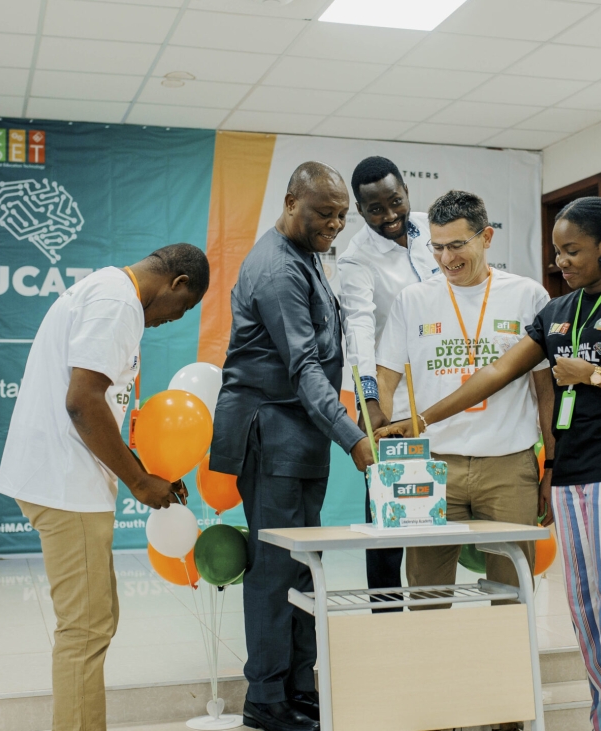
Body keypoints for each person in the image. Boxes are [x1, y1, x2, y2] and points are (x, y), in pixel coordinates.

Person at [378, 196, 601, 731]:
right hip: (574, 473)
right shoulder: (558, 311)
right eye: (557, 252)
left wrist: (593, 376)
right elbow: (497, 373)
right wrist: (421, 421)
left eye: (572, 251)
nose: (562, 262)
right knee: (587, 610)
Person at [0, 244, 209, 731]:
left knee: (97, 619)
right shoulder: (118, 303)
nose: (176, 320)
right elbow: (82, 401)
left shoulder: (109, 292)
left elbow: (97, 404)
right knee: (86, 629)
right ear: (176, 283)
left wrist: (146, 468)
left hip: (66, 478)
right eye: (185, 308)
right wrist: (138, 480)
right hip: (65, 484)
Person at [209, 161, 376, 731]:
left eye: (341, 216)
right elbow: (304, 367)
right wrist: (354, 437)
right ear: (288, 203)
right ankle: (267, 697)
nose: (334, 224)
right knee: (276, 569)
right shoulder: (277, 268)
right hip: (272, 432)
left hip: (299, 434)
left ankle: (300, 686)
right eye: (323, 213)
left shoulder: (306, 255)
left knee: (307, 566)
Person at [374, 189, 554, 602]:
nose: (446, 259)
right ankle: (433, 669)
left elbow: (546, 389)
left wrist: (551, 464)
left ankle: (506, 668)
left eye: (457, 245)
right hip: (432, 464)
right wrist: (381, 445)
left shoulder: (528, 296)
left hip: (508, 465)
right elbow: (385, 381)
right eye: (436, 247)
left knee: (512, 593)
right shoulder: (413, 301)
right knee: (426, 593)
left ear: (486, 237)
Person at [336, 156, 440, 600]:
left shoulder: (433, 230)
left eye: (395, 202)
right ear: (360, 211)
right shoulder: (356, 258)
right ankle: (384, 610)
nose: (390, 216)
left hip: (447, 387)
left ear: (407, 194)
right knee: (390, 509)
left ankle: (433, 608)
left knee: (441, 509)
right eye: (375, 209)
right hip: (391, 397)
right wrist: (370, 403)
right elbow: (358, 329)